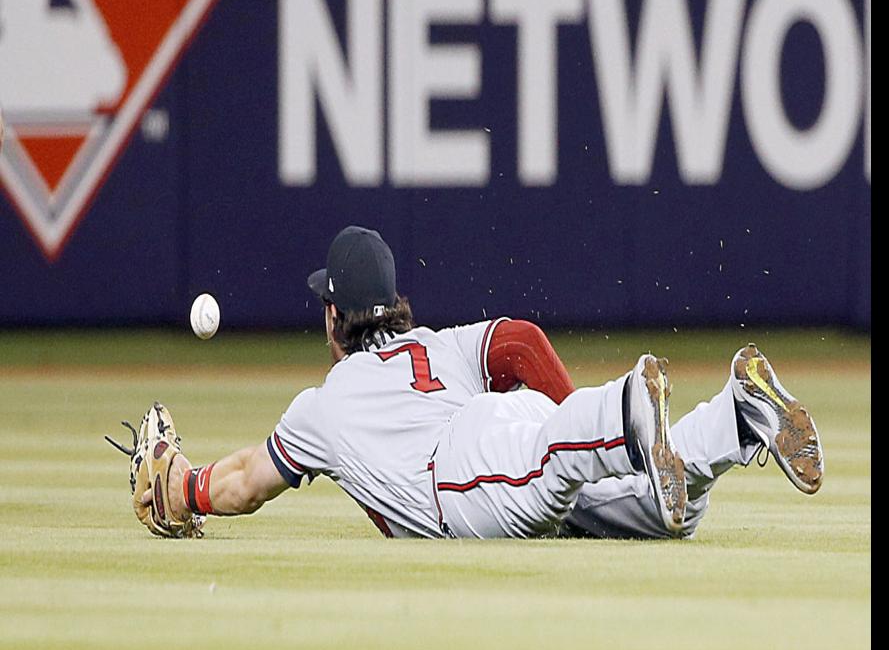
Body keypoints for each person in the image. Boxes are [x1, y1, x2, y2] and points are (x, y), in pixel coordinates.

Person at [146, 225, 824, 540]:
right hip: (500, 430)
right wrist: (564, 409)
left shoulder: (322, 406)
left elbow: (242, 483)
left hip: (460, 473)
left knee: (551, 458)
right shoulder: (435, 345)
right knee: (658, 514)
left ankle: (625, 409)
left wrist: (184, 485)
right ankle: (735, 417)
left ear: (333, 314)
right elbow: (519, 340)